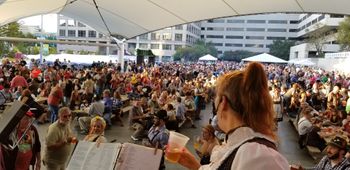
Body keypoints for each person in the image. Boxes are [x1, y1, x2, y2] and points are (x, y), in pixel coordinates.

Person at [171, 62, 289, 169]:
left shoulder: (255, 157)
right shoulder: (242, 147)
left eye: (215, 98)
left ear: (223, 103)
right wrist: (194, 165)